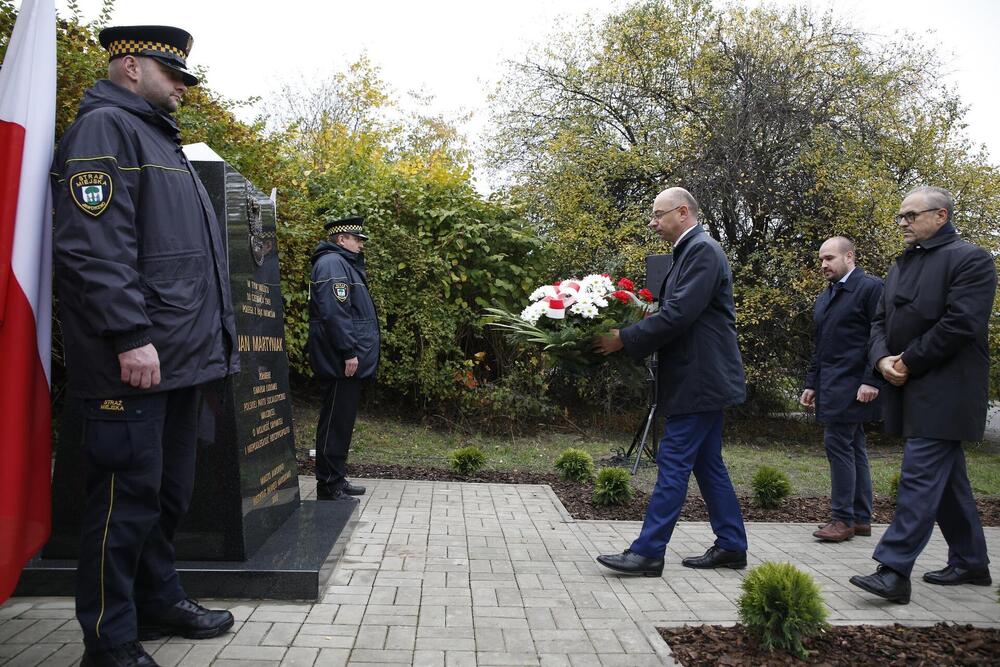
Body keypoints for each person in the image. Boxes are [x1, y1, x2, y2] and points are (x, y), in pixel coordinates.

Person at [51, 26, 239, 667]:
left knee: (166, 496)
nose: (184, 87)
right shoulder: (104, 130)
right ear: (129, 65)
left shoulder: (157, 137)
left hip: (179, 361)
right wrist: (131, 335)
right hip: (132, 360)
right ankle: (107, 640)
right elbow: (92, 249)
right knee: (121, 505)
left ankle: (159, 600)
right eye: (174, 74)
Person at [850, 186, 995, 605]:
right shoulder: (901, 266)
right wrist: (881, 362)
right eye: (901, 216)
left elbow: (961, 323)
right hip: (907, 384)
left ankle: (893, 570)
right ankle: (971, 561)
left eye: (911, 215)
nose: (904, 223)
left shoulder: (972, 260)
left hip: (948, 390)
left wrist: (908, 361)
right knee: (948, 483)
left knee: (918, 477)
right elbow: (879, 322)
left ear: (941, 216)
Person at [594, 187, 748, 576]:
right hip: (701, 380)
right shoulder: (690, 252)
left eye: (658, 215)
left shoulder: (701, 251)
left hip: (698, 381)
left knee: (674, 463)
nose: (653, 222)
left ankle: (648, 552)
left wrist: (624, 339)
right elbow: (673, 312)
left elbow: (678, 315)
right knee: (708, 464)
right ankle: (731, 544)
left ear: (682, 213)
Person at [800, 237, 883, 542]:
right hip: (831, 384)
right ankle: (860, 519)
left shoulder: (870, 288)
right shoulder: (826, 297)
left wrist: (872, 379)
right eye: (821, 259)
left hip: (855, 384)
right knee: (854, 446)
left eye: (830, 258)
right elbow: (820, 346)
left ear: (850, 257)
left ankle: (842, 519)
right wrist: (811, 383)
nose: (823, 265)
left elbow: (881, 335)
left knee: (837, 445)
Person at [307, 216, 380, 500]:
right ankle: (328, 484)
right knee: (335, 422)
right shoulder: (332, 264)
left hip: (345, 358)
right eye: (357, 239)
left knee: (342, 421)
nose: (361, 244)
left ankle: (337, 477)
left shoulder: (342, 264)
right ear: (341, 239)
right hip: (340, 360)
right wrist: (348, 351)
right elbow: (335, 313)